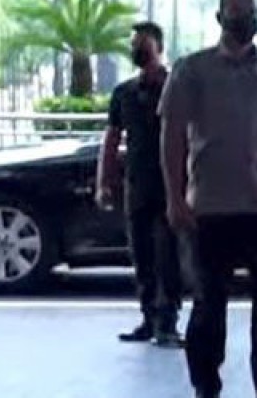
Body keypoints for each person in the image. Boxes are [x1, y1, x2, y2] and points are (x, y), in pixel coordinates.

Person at [160, 0, 257, 398]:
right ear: (220, 17)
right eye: (235, 12)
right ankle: (206, 386)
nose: (243, 19)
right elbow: (171, 136)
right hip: (210, 207)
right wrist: (174, 196)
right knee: (208, 306)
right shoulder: (192, 70)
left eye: (250, 11)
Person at [98, 21, 184, 348]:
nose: (136, 49)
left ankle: (168, 322)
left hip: (171, 184)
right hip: (137, 186)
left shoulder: (176, 86)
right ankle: (149, 319)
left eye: (142, 43)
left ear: (158, 47)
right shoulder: (124, 93)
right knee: (142, 256)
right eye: (134, 43)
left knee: (169, 257)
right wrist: (104, 182)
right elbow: (111, 139)